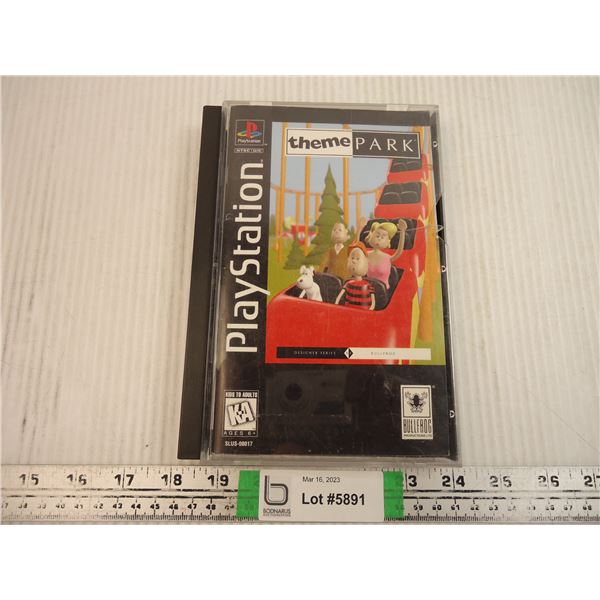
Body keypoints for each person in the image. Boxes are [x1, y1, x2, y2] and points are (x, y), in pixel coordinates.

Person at [364, 220, 407, 289]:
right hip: (368, 290)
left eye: (383, 237)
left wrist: (402, 232)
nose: (379, 239)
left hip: (383, 291)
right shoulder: (366, 255)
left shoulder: (387, 258)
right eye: (377, 235)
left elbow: (399, 251)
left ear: (388, 241)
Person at [335, 242, 376, 310]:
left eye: (357, 258)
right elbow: (338, 299)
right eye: (352, 258)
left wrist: (370, 309)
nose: (354, 261)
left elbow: (373, 302)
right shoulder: (348, 284)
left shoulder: (368, 285)